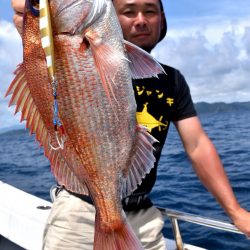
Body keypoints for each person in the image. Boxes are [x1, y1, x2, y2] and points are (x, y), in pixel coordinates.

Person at [11, 0, 250, 249]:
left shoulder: (171, 79)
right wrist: (34, 31)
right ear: (112, 14)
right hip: (77, 215)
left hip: (145, 217)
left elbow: (197, 144)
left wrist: (235, 211)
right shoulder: (71, 48)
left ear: (163, 18)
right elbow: (42, 73)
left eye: (150, 11)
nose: (140, 19)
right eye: (128, 11)